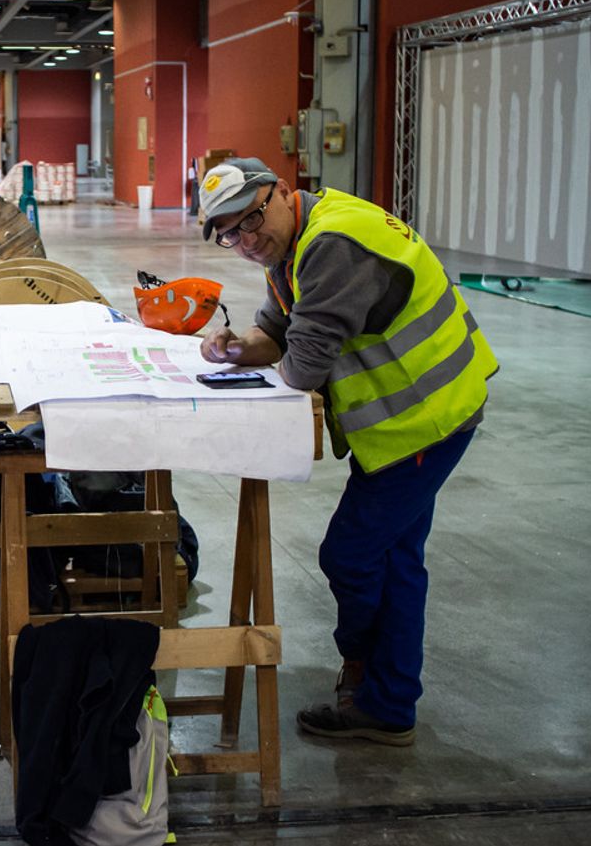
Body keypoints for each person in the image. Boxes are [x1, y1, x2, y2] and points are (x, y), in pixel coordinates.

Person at [198, 157, 497, 747]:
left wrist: (275, 353)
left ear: (282, 192)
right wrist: (233, 348)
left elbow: (303, 366)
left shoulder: (331, 245)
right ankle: (388, 699)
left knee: (352, 557)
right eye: (230, 234)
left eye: (252, 220)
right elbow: (279, 333)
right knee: (395, 559)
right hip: (411, 419)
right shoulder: (295, 242)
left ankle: (367, 673)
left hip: (421, 421)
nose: (246, 240)